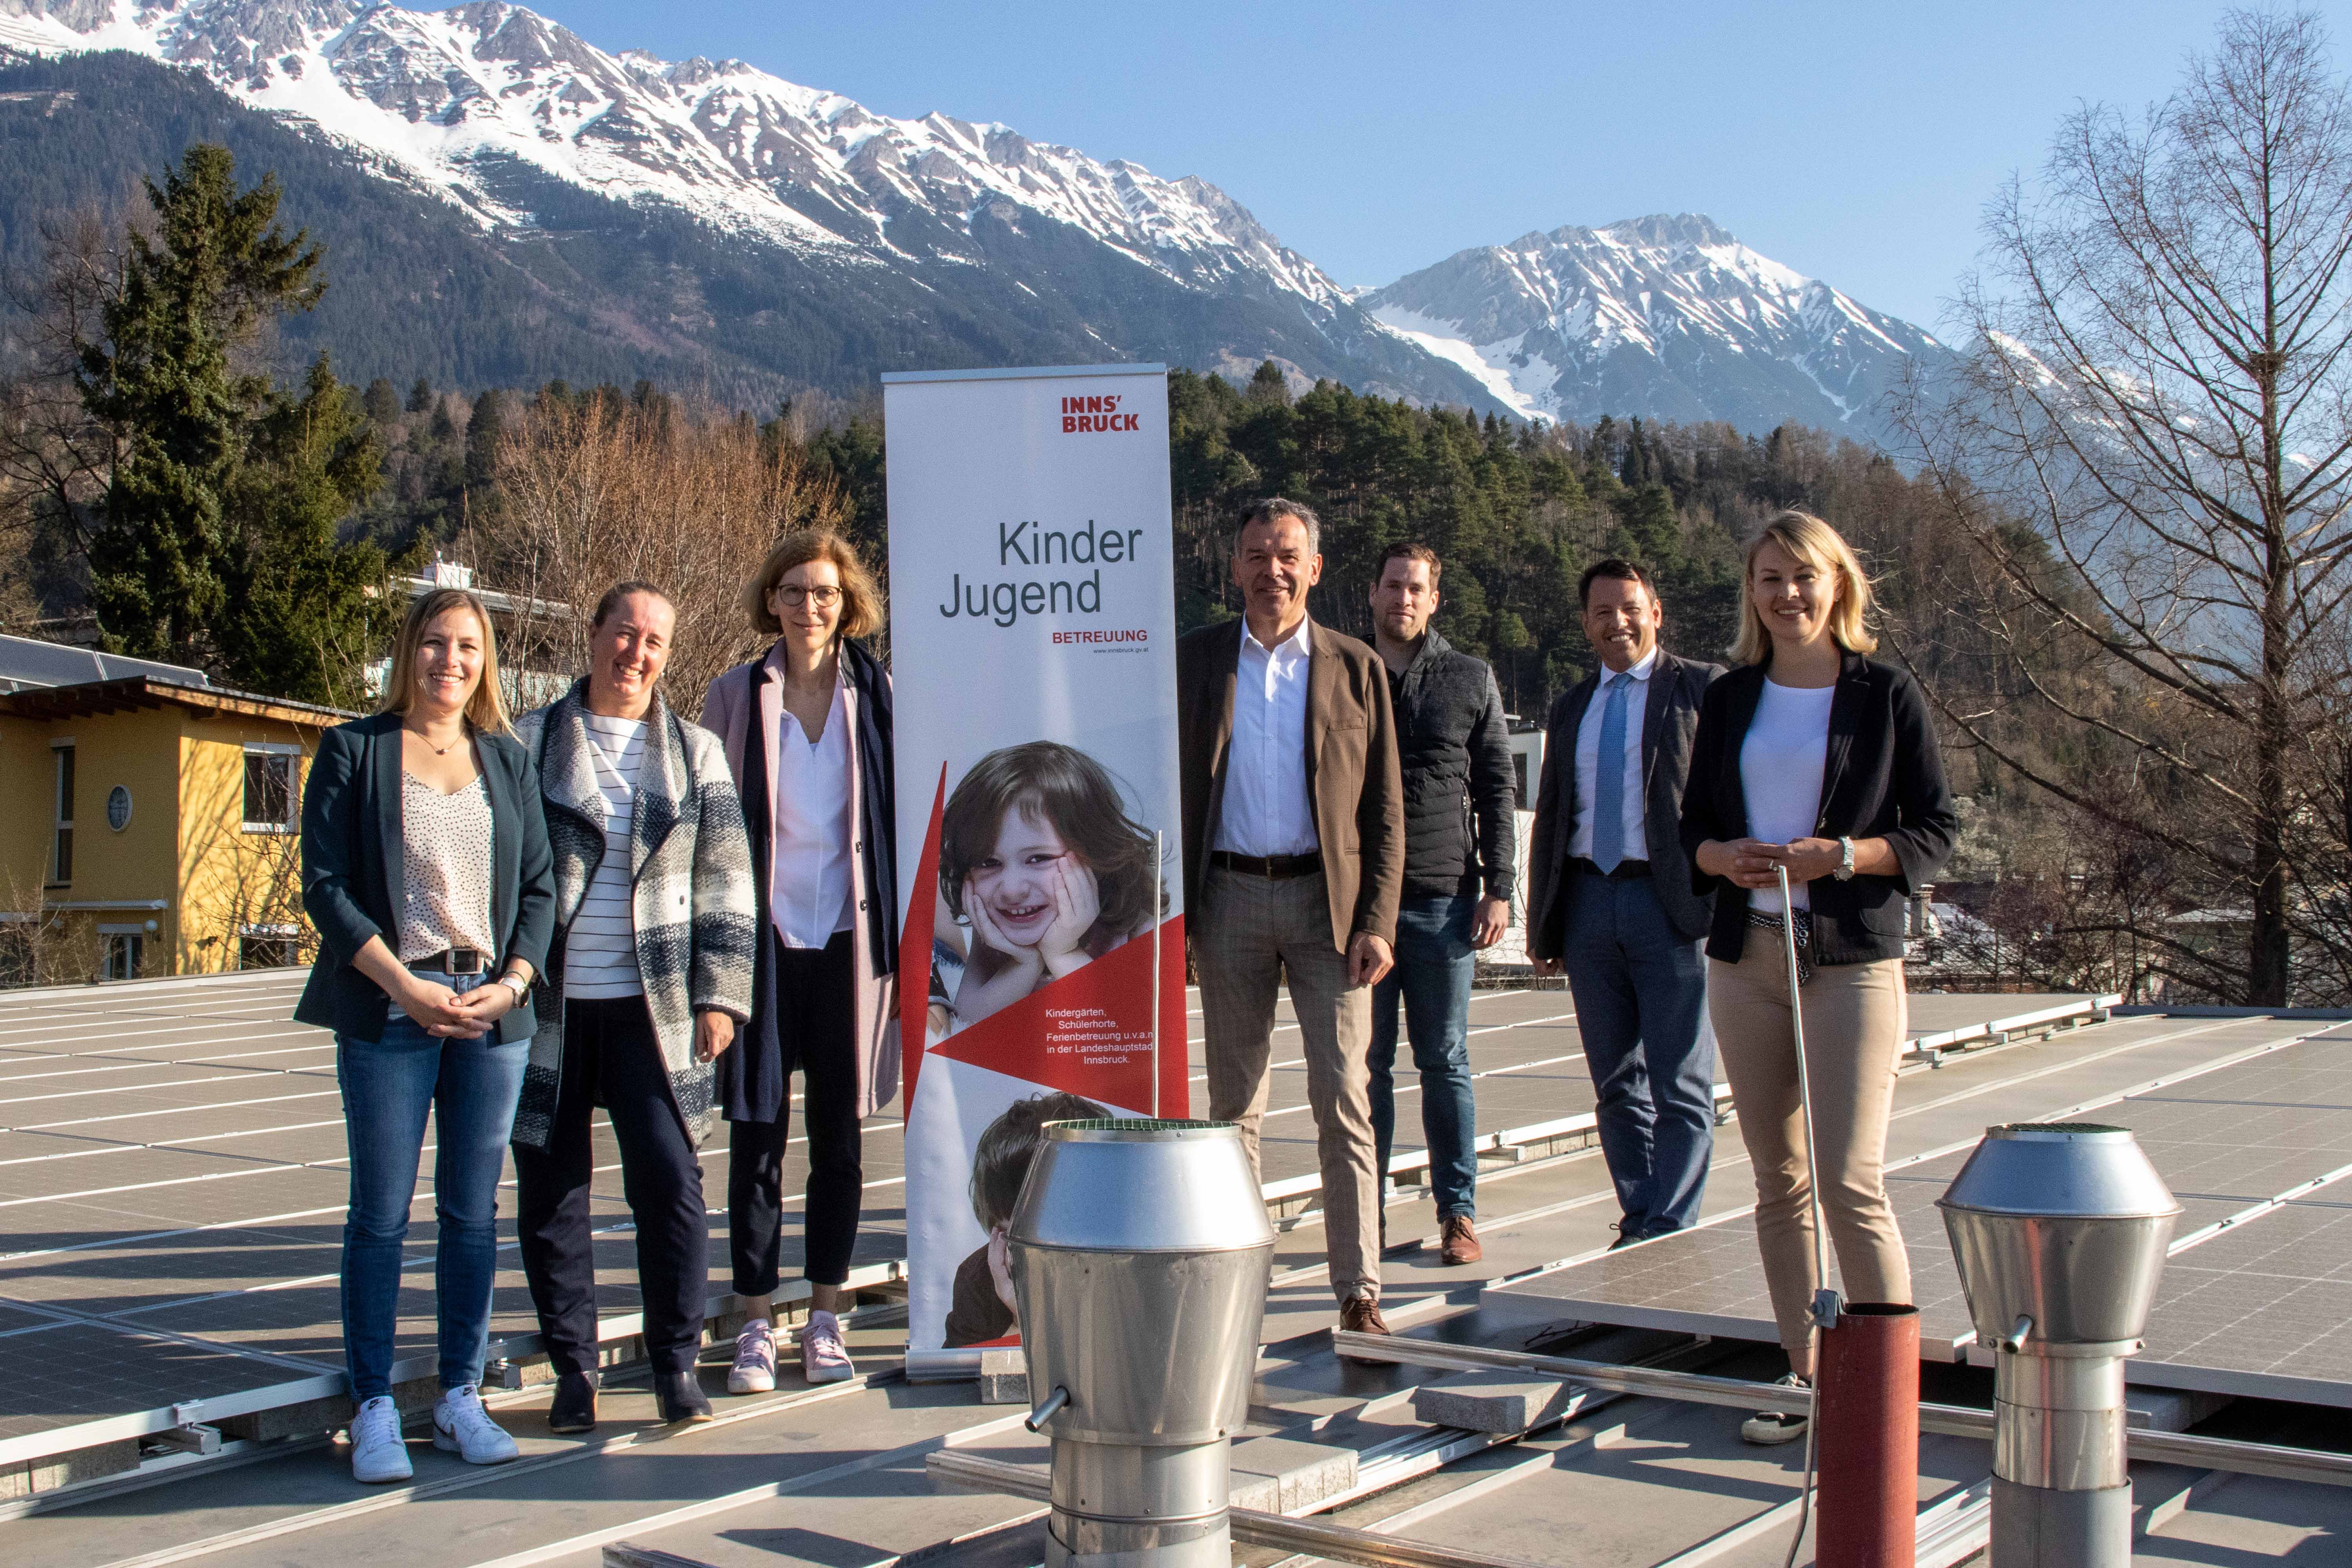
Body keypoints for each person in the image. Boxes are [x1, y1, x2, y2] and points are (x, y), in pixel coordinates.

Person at [1679, 510, 1956, 1446]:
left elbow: (1935, 829)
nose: (1787, 594)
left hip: (1850, 962)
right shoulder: (1729, 697)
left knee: (1849, 1182)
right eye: (1770, 578)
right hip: (1746, 959)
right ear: (1751, 592)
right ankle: (1804, 1373)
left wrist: (1839, 855)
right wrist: (1720, 857)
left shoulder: (1885, 693)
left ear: (1838, 584)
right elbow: (1692, 828)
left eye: (1804, 576)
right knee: (1779, 1182)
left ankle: (1884, 1394)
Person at [296, 587, 554, 1485]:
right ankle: (374, 1403)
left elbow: (538, 889)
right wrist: (403, 986)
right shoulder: (355, 749)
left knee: (471, 1212)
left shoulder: (507, 760)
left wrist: (512, 983)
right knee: (380, 1212)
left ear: (487, 662)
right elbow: (325, 886)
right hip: (390, 1002)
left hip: (490, 1010)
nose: (452, 661)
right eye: (437, 643)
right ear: (410, 649)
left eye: (469, 647)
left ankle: (459, 1392)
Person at [510, 583, 757, 1432]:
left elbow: (726, 881)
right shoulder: (529, 742)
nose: (637, 653)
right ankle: (573, 1369)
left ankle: (676, 1362)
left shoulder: (696, 752)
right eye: (625, 633)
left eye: (654, 641)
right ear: (593, 634)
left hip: (655, 1006)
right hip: (549, 1004)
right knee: (552, 1191)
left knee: (672, 1182)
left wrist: (720, 998)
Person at [1176, 497, 1404, 1344]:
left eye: (1287, 556)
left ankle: (1359, 1292)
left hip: (1328, 911)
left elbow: (1386, 810)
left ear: (1314, 567)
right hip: (1227, 899)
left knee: (1344, 1099)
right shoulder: (1196, 660)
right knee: (1232, 1109)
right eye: (1255, 554)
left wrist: (1377, 919)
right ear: (1233, 565)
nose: (1271, 570)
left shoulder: (1355, 666)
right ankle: (1238, 1291)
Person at [702, 531, 898, 1394]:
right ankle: (754, 1321)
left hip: (852, 946)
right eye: (793, 590)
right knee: (756, 1139)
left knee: (839, 1142)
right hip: (765, 945)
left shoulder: (879, 694)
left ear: (848, 603)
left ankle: (825, 1315)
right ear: (770, 600)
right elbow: (708, 825)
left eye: (824, 592)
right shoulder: (736, 695)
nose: (809, 606)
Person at [1526, 560, 1724, 1247]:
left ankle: (1672, 1223)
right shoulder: (1571, 707)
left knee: (1681, 1083)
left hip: (1671, 907)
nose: (1619, 623)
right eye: (1604, 613)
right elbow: (1553, 818)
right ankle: (1640, 1216)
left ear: (1656, 613)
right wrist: (1544, 924)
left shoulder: (1702, 690)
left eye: (1631, 608)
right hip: (1588, 904)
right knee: (1615, 1084)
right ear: (1586, 624)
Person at [1362, 542, 1516, 1266]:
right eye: (1393, 586)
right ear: (1372, 593)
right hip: (1358, 907)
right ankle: (1364, 1218)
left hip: (1444, 901)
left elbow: (1497, 788)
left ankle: (1458, 1214)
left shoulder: (1469, 677)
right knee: (1365, 1070)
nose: (1404, 598)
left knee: (1444, 1061)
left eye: (1416, 588)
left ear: (1434, 600)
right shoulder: (1341, 670)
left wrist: (1499, 887)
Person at [937, 741, 1164, 1033]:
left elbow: (1129, 1032)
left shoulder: (1139, 926)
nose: (1012, 891)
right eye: (988, 863)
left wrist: (1063, 954)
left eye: (1039, 859)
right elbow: (966, 1026)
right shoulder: (999, 930)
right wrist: (1024, 965)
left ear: (1096, 852)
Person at [942, 1091, 1111, 1348]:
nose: (1030, 1255)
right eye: (1013, 1239)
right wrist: (1020, 1318)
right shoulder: (980, 1281)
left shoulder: (1136, 1273)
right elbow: (957, 1372)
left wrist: (1038, 1321)